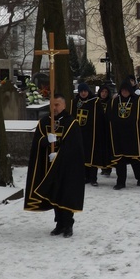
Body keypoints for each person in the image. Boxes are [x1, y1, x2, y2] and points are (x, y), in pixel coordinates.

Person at [24, 94, 86, 238]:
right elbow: (37, 143)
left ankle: (68, 224)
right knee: (53, 194)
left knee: (65, 194)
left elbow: (74, 146)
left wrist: (59, 155)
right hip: (48, 167)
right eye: (52, 105)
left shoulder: (71, 123)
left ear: (64, 105)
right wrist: (46, 140)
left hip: (65, 168)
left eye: (57, 104)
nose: (54, 108)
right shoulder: (45, 122)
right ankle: (59, 224)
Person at [109, 80, 140, 189]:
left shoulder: (137, 101)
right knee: (120, 160)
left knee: (135, 159)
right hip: (119, 135)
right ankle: (121, 182)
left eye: (126, 90)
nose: (124, 92)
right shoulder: (115, 102)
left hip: (133, 134)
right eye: (123, 90)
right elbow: (110, 117)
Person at [70, 83, 109, 186]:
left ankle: (93, 178)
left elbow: (100, 118)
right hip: (79, 133)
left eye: (85, 91)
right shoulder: (75, 102)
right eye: (81, 91)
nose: (83, 93)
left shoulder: (95, 102)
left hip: (92, 134)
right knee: (82, 156)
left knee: (92, 156)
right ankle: (85, 177)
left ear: (88, 91)